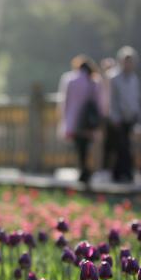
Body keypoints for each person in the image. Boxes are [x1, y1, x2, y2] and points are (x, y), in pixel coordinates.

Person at [60, 56, 103, 184]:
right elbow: (98, 103)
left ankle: (83, 170)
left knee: (79, 148)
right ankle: (88, 170)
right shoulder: (93, 81)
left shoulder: (69, 79)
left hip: (74, 120)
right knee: (89, 147)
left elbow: (65, 102)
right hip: (89, 122)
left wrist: (64, 120)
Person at [108, 46, 141, 182]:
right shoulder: (114, 77)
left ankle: (127, 172)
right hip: (118, 118)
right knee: (120, 147)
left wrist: (138, 119)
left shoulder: (134, 78)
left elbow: (136, 99)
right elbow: (112, 99)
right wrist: (115, 117)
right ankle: (119, 173)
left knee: (129, 146)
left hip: (131, 118)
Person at [98, 57, 117, 174]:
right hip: (102, 117)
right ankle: (102, 169)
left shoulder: (116, 82)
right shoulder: (98, 82)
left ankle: (112, 169)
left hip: (114, 117)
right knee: (103, 144)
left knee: (113, 144)